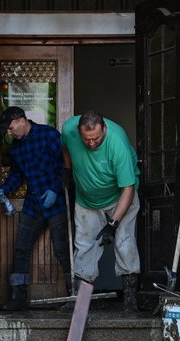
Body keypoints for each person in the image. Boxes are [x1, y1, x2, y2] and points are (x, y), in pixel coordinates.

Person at [0, 106, 72, 311]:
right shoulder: (17, 149)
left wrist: (55, 189)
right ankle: (18, 297)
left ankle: (74, 296)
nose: (9, 133)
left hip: (57, 202)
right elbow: (17, 177)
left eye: (10, 128)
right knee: (21, 248)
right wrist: (2, 191)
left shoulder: (48, 134)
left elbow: (64, 163)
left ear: (21, 120)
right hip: (32, 203)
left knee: (64, 249)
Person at [61, 110, 141, 312]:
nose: (91, 144)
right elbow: (66, 148)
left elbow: (128, 189)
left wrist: (113, 224)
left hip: (120, 198)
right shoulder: (69, 130)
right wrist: (68, 170)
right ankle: (80, 300)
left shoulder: (117, 144)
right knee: (85, 244)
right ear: (78, 132)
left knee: (124, 242)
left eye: (95, 138)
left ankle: (130, 299)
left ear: (104, 129)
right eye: (86, 139)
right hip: (87, 199)